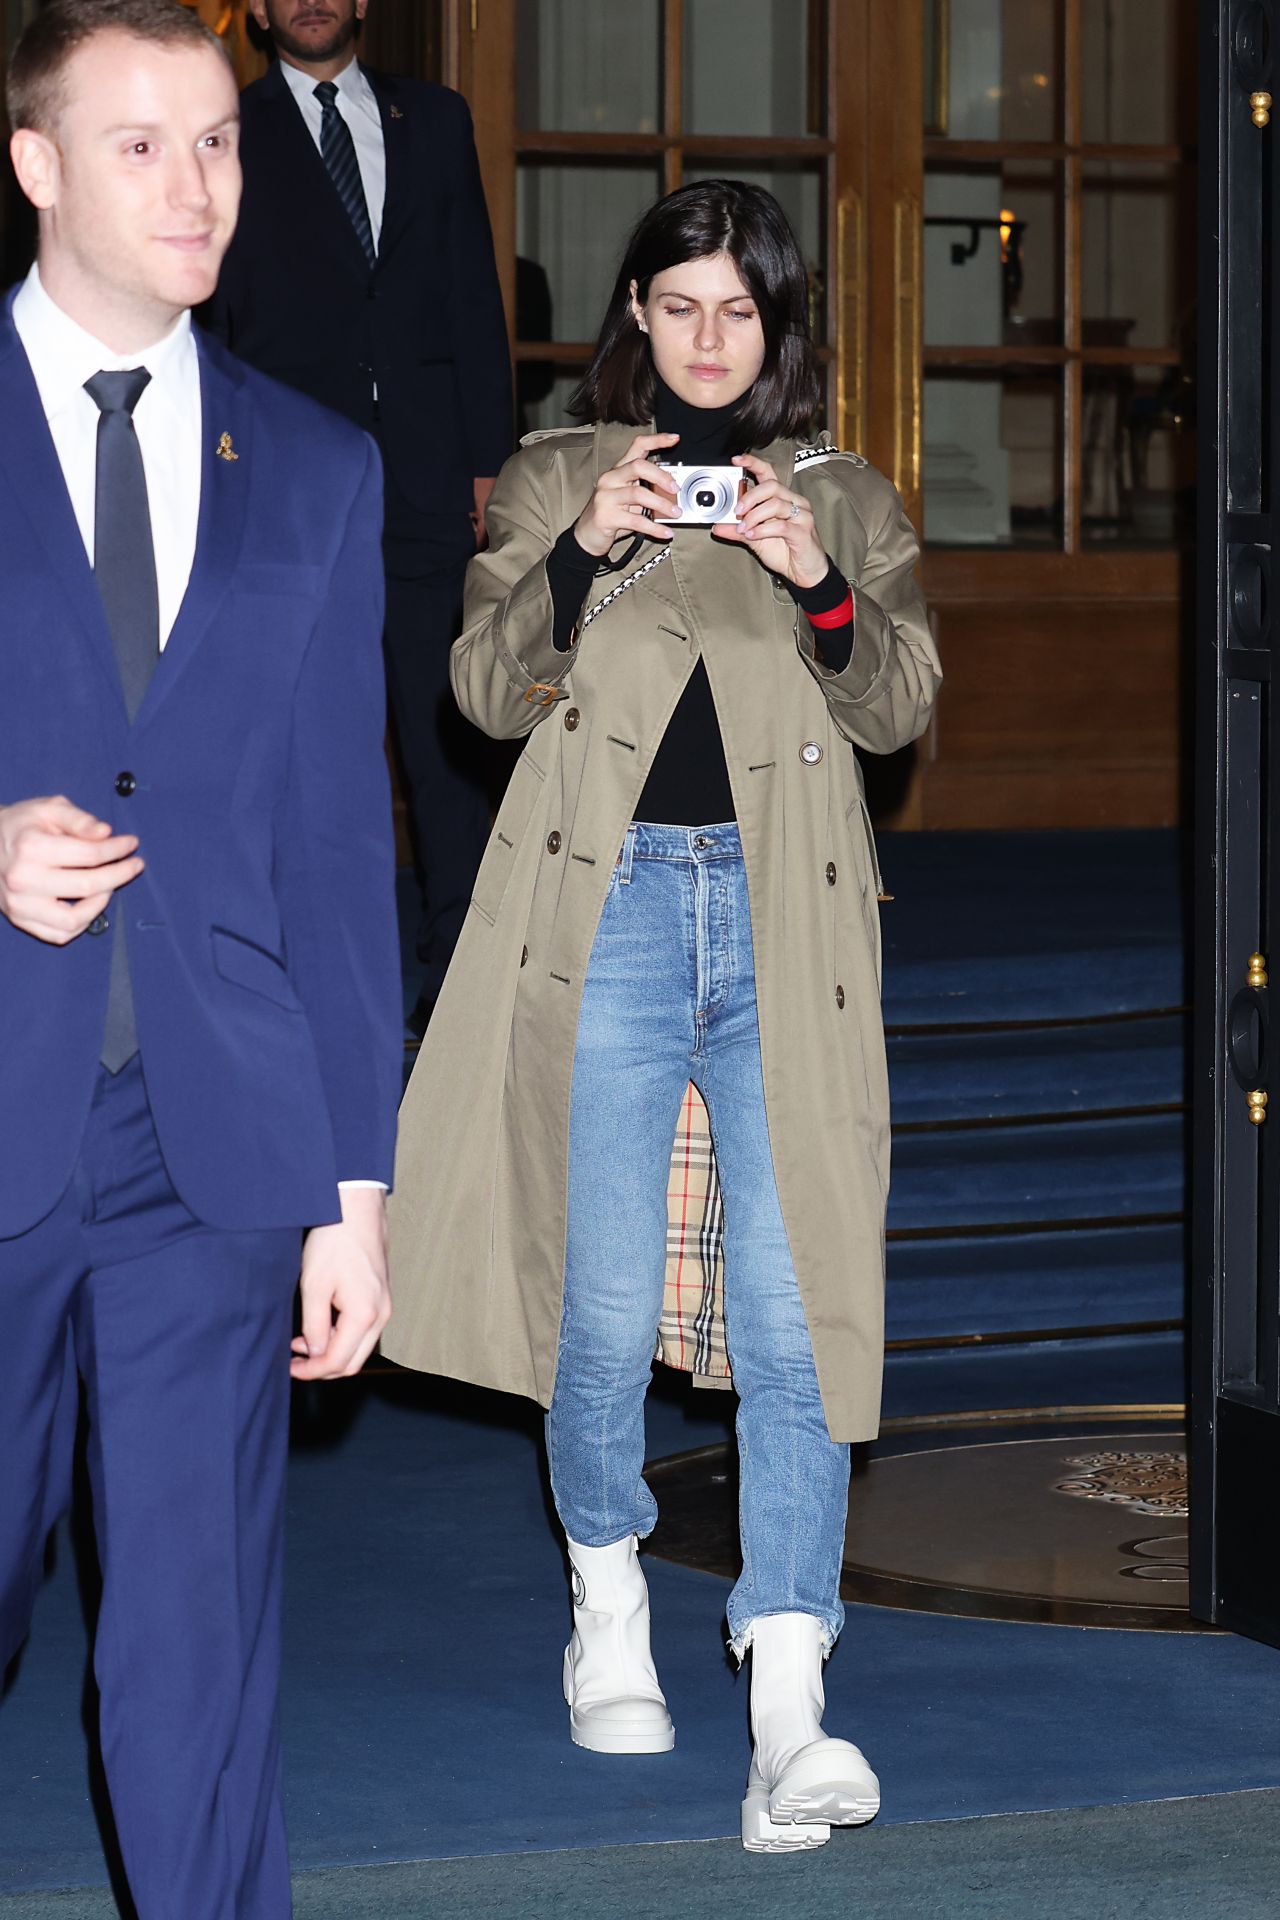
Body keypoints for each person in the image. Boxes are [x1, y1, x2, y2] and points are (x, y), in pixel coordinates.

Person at [384, 180, 941, 1852]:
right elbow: (477, 694)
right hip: (610, 911)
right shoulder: (566, 474)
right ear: (633, 311)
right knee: (600, 1292)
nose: (708, 342)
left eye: (739, 312)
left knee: (797, 1311)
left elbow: (901, 700)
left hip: (783, 923)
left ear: (779, 332)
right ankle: (609, 1598)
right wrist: (584, 550)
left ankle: (790, 1692)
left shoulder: (838, 490)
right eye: (678, 306)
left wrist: (814, 576)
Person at [0, 4, 401, 1914]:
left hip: (213, 1149)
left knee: (196, 1657)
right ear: (37, 165)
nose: (197, 185)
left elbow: (336, 852)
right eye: (142, 143)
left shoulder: (312, 465)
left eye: (220, 142)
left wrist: (356, 1184)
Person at [207, 0, 513, 1035]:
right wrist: (218, 467)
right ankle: (292, 970)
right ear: (255, 7)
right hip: (284, 482)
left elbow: (473, 291)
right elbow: (208, 313)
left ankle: (460, 964)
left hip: (427, 478)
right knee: (298, 738)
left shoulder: (437, 117)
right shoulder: (226, 126)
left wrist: (488, 464)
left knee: (445, 726)